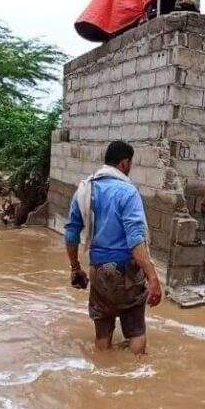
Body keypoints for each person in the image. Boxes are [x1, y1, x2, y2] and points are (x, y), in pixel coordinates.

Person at [64, 141, 163, 355]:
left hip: (99, 270)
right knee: (136, 333)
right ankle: (135, 378)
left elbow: (71, 233)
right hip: (127, 271)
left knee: (102, 336)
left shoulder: (85, 190)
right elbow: (136, 240)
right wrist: (153, 278)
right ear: (125, 163)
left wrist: (75, 268)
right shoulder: (128, 192)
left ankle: (103, 373)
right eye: (131, 164)